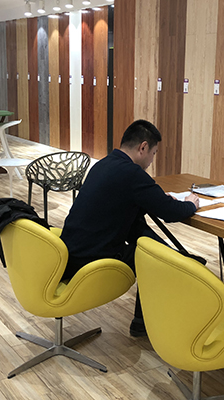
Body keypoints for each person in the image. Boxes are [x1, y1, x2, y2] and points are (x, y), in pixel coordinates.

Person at [59, 119, 200, 337]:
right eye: (153, 153)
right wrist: (191, 204)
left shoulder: (104, 164)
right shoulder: (132, 174)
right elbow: (171, 213)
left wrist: (155, 198)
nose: (152, 161)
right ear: (143, 147)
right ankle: (152, 322)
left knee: (147, 242)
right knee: (153, 257)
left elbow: (126, 203)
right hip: (92, 260)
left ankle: (144, 320)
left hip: (72, 254)